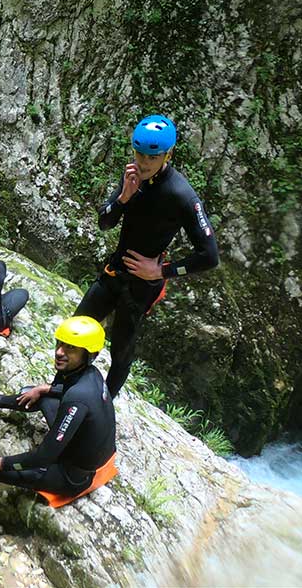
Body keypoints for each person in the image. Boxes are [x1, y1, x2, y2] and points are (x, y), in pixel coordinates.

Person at [75, 115, 219, 397]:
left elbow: (209, 255)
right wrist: (122, 199)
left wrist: (161, 271)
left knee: (121, 350)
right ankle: (68, 388)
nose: (143, 162)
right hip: (115, 271)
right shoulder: (132, 176)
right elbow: (104, 222)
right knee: (77, 327)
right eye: (139, 153)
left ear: (168, 154)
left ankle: (103, 403)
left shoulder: (182, 195)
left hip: (142, 285)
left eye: (152, 157)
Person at [0, 316, 115, 502]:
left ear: (90, 355)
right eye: (60, 343)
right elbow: (70, 394)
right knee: (37, 394)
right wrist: (44, 388)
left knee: (19, 470)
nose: (59, 352)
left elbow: (44, 457)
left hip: (73, 476)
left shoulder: (78, 398)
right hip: (84, 445)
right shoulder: (91, 375)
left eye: (71, 348)